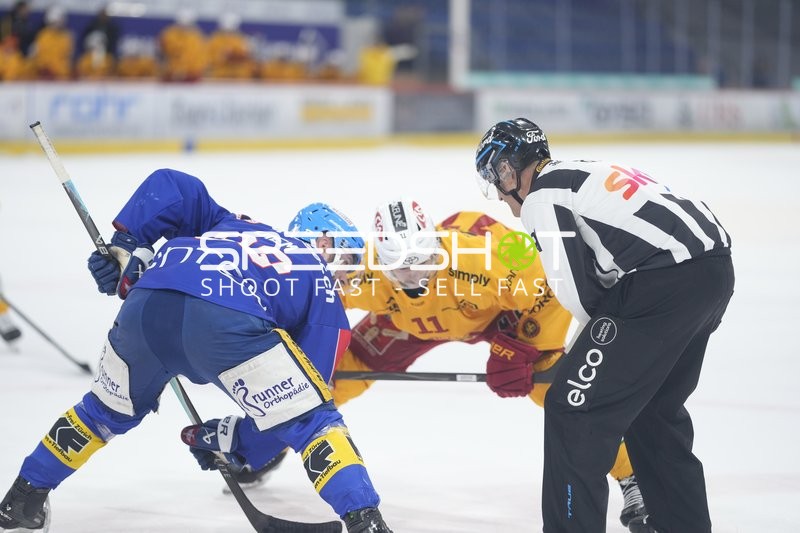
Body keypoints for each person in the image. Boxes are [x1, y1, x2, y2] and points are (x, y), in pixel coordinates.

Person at [0, 169, 392, 533]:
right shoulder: (320, 281)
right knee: (316, 424)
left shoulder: (232, 223)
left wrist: (127, 246)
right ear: (323, 241)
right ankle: (365, 521)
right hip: (225, 319)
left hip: (146, 304)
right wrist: (238, 442)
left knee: (100, 412)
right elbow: (303, 402)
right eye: (347, 261)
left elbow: (174, 186)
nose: (345, 277)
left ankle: (23, 498)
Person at [289, 200, 653, 532]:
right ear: (382, 263)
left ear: (437, 247)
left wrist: (520, 347)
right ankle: (266, 440)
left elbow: (553, 282)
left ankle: (633, 475)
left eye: (425, 261)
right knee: (324, 378)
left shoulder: (487, 257)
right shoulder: (367, 270)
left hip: (496, 313)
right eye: (402, 270)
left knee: (556, 390)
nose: (417, 277)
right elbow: (311, 304)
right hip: (409, 321)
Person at [474, 118, 734, 532]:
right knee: (654, 413)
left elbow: (577, 293)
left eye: (496, 179)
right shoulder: (582, 171)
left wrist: (592, 361)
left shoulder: (542, 197)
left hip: (662, 283)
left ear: (507, 171)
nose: (502, 199)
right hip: (713, 273)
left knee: (571, 409)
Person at [158, 8, 207, 81]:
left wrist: (197, 71)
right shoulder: (169, 34)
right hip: (172, 73)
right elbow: (162, 54)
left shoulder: (196, 36)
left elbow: (200, 56)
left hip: (191, 74)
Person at [27, 5, 73, 80]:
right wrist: (44, 68)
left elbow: (67, 57)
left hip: (62, 76)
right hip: (45, 75)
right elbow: (38, 57)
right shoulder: (43, 36)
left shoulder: (67, 37)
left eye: (61, 20)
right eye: (58, 20)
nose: (60, 23)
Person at [207, 13, 254, 79]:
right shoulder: (215, 39)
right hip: (220, 76)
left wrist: (238, 57)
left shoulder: (240, 38)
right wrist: (225, 57)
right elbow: (210, 58)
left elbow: (246, 56)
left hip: (238, 77)